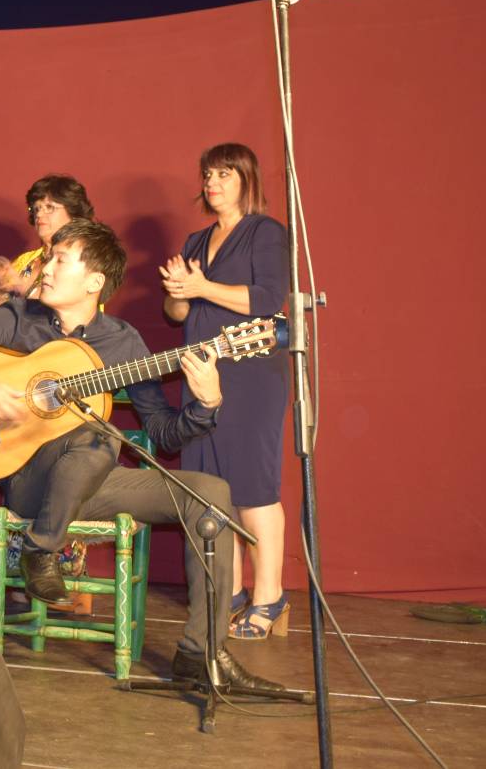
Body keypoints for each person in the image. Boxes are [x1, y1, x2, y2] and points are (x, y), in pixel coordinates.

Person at [0, 219, 284, 693]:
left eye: (59, 260)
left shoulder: (122, 342)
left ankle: (201, 653)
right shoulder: (18, 317)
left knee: (210, 494)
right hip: (29, 480)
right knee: (101, 437)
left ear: (94, 282)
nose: (45, 268)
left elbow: (164, 433)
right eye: (49, 258)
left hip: (89, 479)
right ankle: (41, 548)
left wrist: (207, 404)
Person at [161, 143, 289, 640]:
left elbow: (268, 298)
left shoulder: (265, 232)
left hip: (252, 377)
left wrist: (201, 289)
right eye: (208, 175)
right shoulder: (196, 241)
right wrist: (178, 294)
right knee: (212, 490)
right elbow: (177, 314)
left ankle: (269, 597)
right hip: (201, 375)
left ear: (246, 179)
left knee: (253, 490)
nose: (212, 183)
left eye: (224, 174)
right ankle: (230, 593)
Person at [0, 174, 96, 311]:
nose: (39, 214)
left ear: (73, 214)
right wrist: (1, 287)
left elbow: (69, 313)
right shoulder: (25, 261)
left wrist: (20, 288)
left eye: (49, 207)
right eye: (36, 209)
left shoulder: (86, 258)